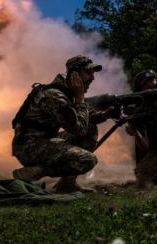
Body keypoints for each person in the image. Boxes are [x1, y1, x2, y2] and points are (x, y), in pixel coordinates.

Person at [11, 55, 114, 193]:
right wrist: (80, 98)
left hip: (42, 140)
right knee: (87, 160)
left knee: (90, 127)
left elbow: (83, 119)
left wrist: (105, 115)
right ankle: (38, 171)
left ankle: (67, 184)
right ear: (74, 75)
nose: (92, 78)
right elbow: (79, 129)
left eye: (93, 74)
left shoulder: (66, 92)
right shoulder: (55, 96)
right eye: (88, 73)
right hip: (28, 147)